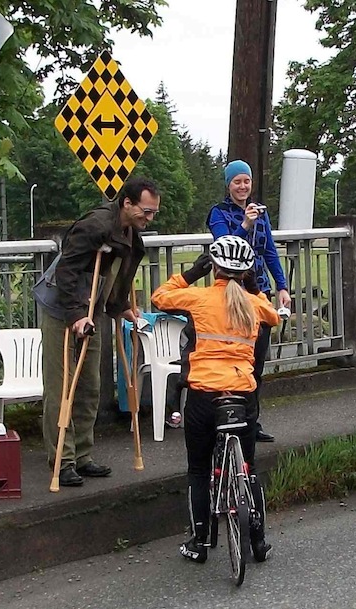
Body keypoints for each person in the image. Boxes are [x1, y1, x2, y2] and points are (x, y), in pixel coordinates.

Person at [151, 235, 280, 564]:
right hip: (242, 394)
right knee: (248, 468)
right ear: (246, 272)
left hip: (204, 395)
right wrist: (254, 287)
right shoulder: (253, 304)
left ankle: (199, 542)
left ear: (214, 268)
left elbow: (159, 297)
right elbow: (274, 316)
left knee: (198, 469)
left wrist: (191, 273)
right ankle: (259, 542)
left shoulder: (198, 298)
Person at [38, 177, 159, 487]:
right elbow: (66, 270)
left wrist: (121, 306)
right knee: (61, 386)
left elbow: (117, 276)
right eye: (146, 211)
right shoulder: (95, 226)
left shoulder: (132, 238)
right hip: (63, 309)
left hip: (92, 311)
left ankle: (82, 455)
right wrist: (75, 315)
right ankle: (62, 460)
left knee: (90, 385)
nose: (149, 218)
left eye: (153, 213)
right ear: (127, 203)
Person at [208, 160, 291, 444]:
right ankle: (227, 420)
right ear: (228, 185)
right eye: (237, 182)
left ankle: (252, 423)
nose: (242, 187)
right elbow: (225, 248)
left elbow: (269, 251)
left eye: (246, 181)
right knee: (231, 361)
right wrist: (245, 224)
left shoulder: (261, 214)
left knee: (255, 363)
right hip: (231, 295)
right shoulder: (218, 213)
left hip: (258, 294)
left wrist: (282, 286)